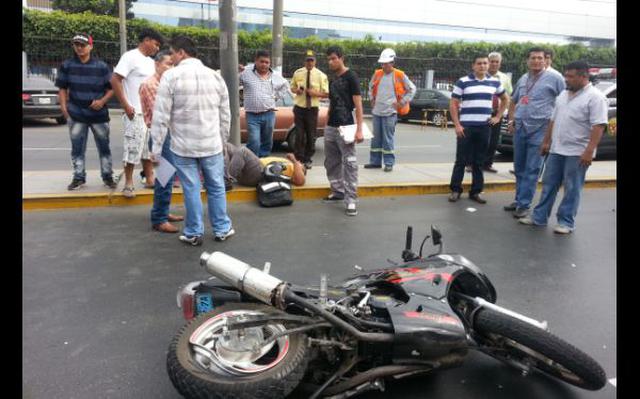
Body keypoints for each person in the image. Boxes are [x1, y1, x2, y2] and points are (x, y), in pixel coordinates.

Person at [150, 36, 233, 246]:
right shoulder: (215, 77)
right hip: (211, 144)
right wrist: (223, 141)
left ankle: (194, 232)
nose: (172, 58)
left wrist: (156, 149)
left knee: (191, 188)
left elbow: (160, 117)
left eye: (173, 53)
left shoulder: (171, 77)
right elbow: (226, 114)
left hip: (183, 146)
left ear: (181, 53)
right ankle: (222, 228)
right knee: (216, 187)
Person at [518, 61, 608, 234]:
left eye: (571, 76)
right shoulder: (562, 95)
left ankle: (566, 222)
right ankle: (539, 217)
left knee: (572, 188)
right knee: (548, 184)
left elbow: (599, 126)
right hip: (556, 149)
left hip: (577, 152)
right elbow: (553, 120)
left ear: (584, 76)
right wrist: (546, 142)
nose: (566, 79)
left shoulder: (595, 97)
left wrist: (589, 151)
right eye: (566, 75)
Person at [505, 47, 566, 218]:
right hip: (520, 128)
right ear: (527, 60)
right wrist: (511, 120)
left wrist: (555, 130)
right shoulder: (524, 78)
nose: (537, 61)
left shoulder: (555, 78)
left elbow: (564, 102)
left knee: (532, 168)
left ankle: (524, 204)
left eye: (540, 58)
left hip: (541, 130)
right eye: (533, 58)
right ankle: (518, 200)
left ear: (545, 60)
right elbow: (513, 100)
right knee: (519, 168)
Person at [55, 33, 116, 191]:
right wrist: (64, 109)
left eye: (83, 45)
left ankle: (108, 176)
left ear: (91, 46)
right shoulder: (67, 65)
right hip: (76, 114)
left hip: (99, 115)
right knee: (77, 149)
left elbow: (112, 89)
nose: (80, 48)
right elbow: (62, 88)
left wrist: (102, 101)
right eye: (76, 45)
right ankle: (78, 177)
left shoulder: (101, 67)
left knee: (104, 147)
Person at [448, 55, 510, 204]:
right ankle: (455, 190)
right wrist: (457, 125)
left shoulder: (494, 82)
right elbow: (453, 104)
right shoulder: (463, 82)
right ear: (473, 66)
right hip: (466, 127)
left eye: (485, 63)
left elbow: (506, 99)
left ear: (488, 65)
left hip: (484, 127)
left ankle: (475, 192)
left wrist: (497, 117)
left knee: (479, 161)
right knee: (461, 160)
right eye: (479, 63)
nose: (482, 66)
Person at [111, 28, 164, 198]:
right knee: (132, 148)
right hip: (134, 111)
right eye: (156, 44)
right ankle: (128, 183)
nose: (157, 48)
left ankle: (150, 179)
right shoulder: (130, 56)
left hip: (149, 114)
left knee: (148, 150)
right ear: (146, 40)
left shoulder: (150, 62)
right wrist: (126, 106)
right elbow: (115, 79)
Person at [138, 50, 185, 233]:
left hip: (169, 135)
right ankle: (159, 218)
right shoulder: (150, 85)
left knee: (167, 176)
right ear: (157, 64)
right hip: (160, 136)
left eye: (173, 64)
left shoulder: (165, 84)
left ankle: (163, 213)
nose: (171, 68)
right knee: (165, 177)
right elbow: (163, 113)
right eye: (168, 64)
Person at [320, 46, 364, 216]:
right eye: (328, 59)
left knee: (350, 164)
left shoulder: (351, 77)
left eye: (333, 58)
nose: (330, 62)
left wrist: (359, 130)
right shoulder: (333, 80)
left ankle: (351, 200)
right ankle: (338, 191)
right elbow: (332, 102)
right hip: (331, 127)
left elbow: (358, 104)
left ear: (341, 58)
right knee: (331, 162)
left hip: (347, 127)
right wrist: (327, 121)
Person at [365, 48, 416, 172]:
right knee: (376, 138)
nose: (383, 66)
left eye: (386, 63)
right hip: (377, 112)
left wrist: (402, 102)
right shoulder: (377, 74)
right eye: (382, 63)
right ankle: (375, 162)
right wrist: (371, 98)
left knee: (387, 139)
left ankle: (389, 163)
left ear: (392, 62)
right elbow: (370, 87)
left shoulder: (399, 75)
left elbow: (412, 89)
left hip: (390, 113)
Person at [239, 50, 290, 157]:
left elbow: (285, 85)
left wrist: (276, 97)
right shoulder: (246, 73)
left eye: (267, 62)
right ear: (256, 61)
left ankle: (263, 162)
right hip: (252, 115)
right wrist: (236, 71)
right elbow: (233, 82)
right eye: (262, 61)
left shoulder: (274, 75)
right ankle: (251, 162)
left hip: (269, 114)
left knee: (267, 142)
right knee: (254, 141)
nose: (264, 64)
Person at [290, 49, 329, 169]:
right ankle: (299, 159)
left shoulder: (321, 75)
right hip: (299, 108)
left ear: (315, 61)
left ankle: (308, 158)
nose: (309, 63)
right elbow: (292, 88)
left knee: (311, 135)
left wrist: (315, 93)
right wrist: (297, 90)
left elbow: (326, 94)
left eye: (311, 60)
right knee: (299, 135)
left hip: (312, 109)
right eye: (307, 60)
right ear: (304, 61)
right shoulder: (298, 73)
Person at [224, 142, 306, 187]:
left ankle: (228, 180)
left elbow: (300, 181)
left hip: (260, 173)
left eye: (302, 165)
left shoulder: (293, 170)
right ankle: (224, 175)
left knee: (243, 151)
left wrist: (295, 162)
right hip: (250, 170)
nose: (300, 163)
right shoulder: (289, 165)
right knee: (227, 146)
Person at [483, 51, 513, 173]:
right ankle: (471, 163)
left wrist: (504, 112)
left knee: (493, 140)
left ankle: (487, 164)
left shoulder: (505, 78)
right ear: (488, 62)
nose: (494, 64)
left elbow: (509, 96)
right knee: (478, 139)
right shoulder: (481, 76)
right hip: (482, 112)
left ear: (500, 64)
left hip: (497, 113)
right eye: (492, 61)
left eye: (497, 62)